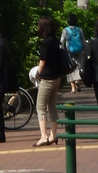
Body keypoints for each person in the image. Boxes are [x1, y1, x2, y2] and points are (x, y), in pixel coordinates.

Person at [35, 14, 63, 147]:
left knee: (40, 107)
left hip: (47, 79)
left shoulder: (45, 42)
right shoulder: (56, 40)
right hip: (57, 78)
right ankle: (54, 134)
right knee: (52, 107)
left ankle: (43, 136)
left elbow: (42, 62)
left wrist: (38, 73)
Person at [61, 13, 86, 92]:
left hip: (70, 52)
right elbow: (83, 41)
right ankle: (77, 81)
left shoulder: (65, 30)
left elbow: (62, 41)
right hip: (79, 51)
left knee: (70, 67)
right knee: (78, 66)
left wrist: (61, 50)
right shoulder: (79, 30)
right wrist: (85, 50)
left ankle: (73, 88)